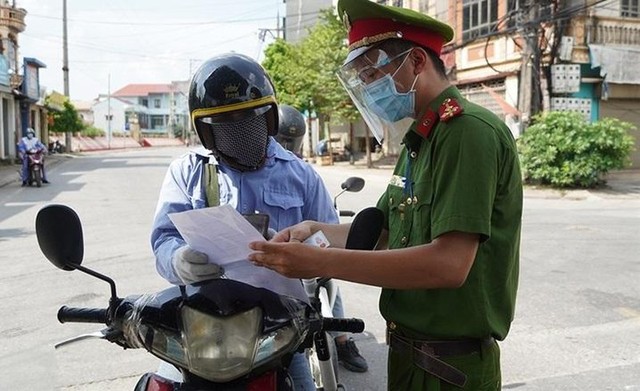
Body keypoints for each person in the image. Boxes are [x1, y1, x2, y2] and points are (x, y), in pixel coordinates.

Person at [248, 0, 523, 390]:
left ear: (415, 63)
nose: (370, 89)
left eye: (373, 74)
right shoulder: (421, 140)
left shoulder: (467, 133)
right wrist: (313, 231)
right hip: (410, 358)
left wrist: (318, 261)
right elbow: (382, 231)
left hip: (451, 370)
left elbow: (449, 264)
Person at [149, 53, 365, 389]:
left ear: (269, 120)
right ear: (205, 131)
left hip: (280, 329)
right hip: (204, 328)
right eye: (226, 125)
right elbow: (163, 240)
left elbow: (330, 241)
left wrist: (306, 256)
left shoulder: (301, 176)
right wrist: (179, 261)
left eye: (247, 121)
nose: (239, 133)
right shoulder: (187, 172)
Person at [274, 103, 369, 373]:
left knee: (329, 286)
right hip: (270, 281)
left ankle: (342, 340)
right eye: (283, 140)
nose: (287, 147)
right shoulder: (223, 170)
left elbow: (328, 225)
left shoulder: (304, 174)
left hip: (307, 262)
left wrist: (320, 251)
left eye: (292, 141)